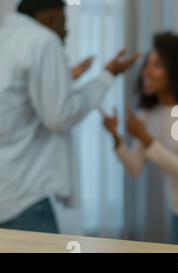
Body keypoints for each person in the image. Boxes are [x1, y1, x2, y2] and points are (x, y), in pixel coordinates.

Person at [0, 0, 138, 233]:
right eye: (64, 24)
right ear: (52, 19)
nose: (66, 32)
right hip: (24, 198)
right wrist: (107, 75)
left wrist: (67, 79)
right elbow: (59, 116)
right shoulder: (43, 41)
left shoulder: (6, 39)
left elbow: (18, 102)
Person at [102, 32, 178, 245]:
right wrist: (116, 137)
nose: (147, 72)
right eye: (147, 65)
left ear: (177, 71)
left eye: (157, 65)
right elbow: (134, 167)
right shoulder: (149, 115)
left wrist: (145, 137)